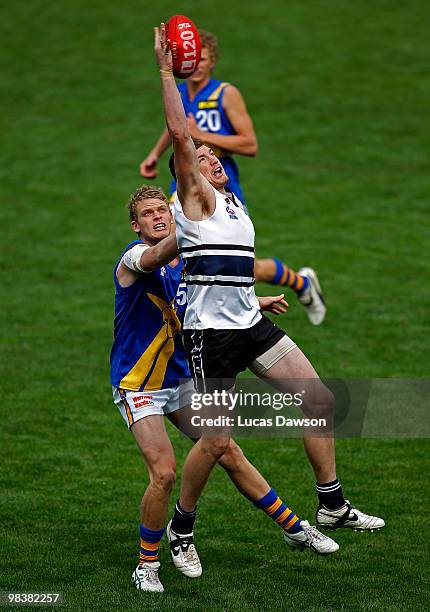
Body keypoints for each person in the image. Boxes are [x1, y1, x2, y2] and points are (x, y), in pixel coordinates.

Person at [153, 22, 384, 576]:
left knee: (320, 400)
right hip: (212, 337)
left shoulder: (232, 205)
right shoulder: (196, 200)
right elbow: (182, 137)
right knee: (214, 441)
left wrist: (258, 298)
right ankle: (181, 531)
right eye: (205, 155)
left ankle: (331, 506)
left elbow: (222, 268)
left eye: (212, 156)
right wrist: (166, 71)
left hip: (250, 322)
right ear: (191, 176)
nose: (212, 157)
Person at [110, 184, 339, 593]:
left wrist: (254, 302)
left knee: (224, 447)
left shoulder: (185, 263)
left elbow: (215, 292)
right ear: (135, 224)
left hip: (178, 378)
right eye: (149, 214)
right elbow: (157, 255)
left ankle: (294, 527)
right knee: (163, 473)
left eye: (163, 210)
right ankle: (146, 565)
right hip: (138, 385)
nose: (159, 217)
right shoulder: (132, 259)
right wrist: (195, 221)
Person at [140, 29, 326, 325]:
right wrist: (154, 153)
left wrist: (201, 136)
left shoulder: (226, 94)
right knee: (177, 255)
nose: (196, 64)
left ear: (213, 62)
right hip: (186, 188)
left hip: (221, 190)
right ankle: (174, 319)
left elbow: (249, 144)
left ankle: (301, 284)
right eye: (191, 58)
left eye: (203, 59)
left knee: (240, 268)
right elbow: (176, 128)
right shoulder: (184, 94)